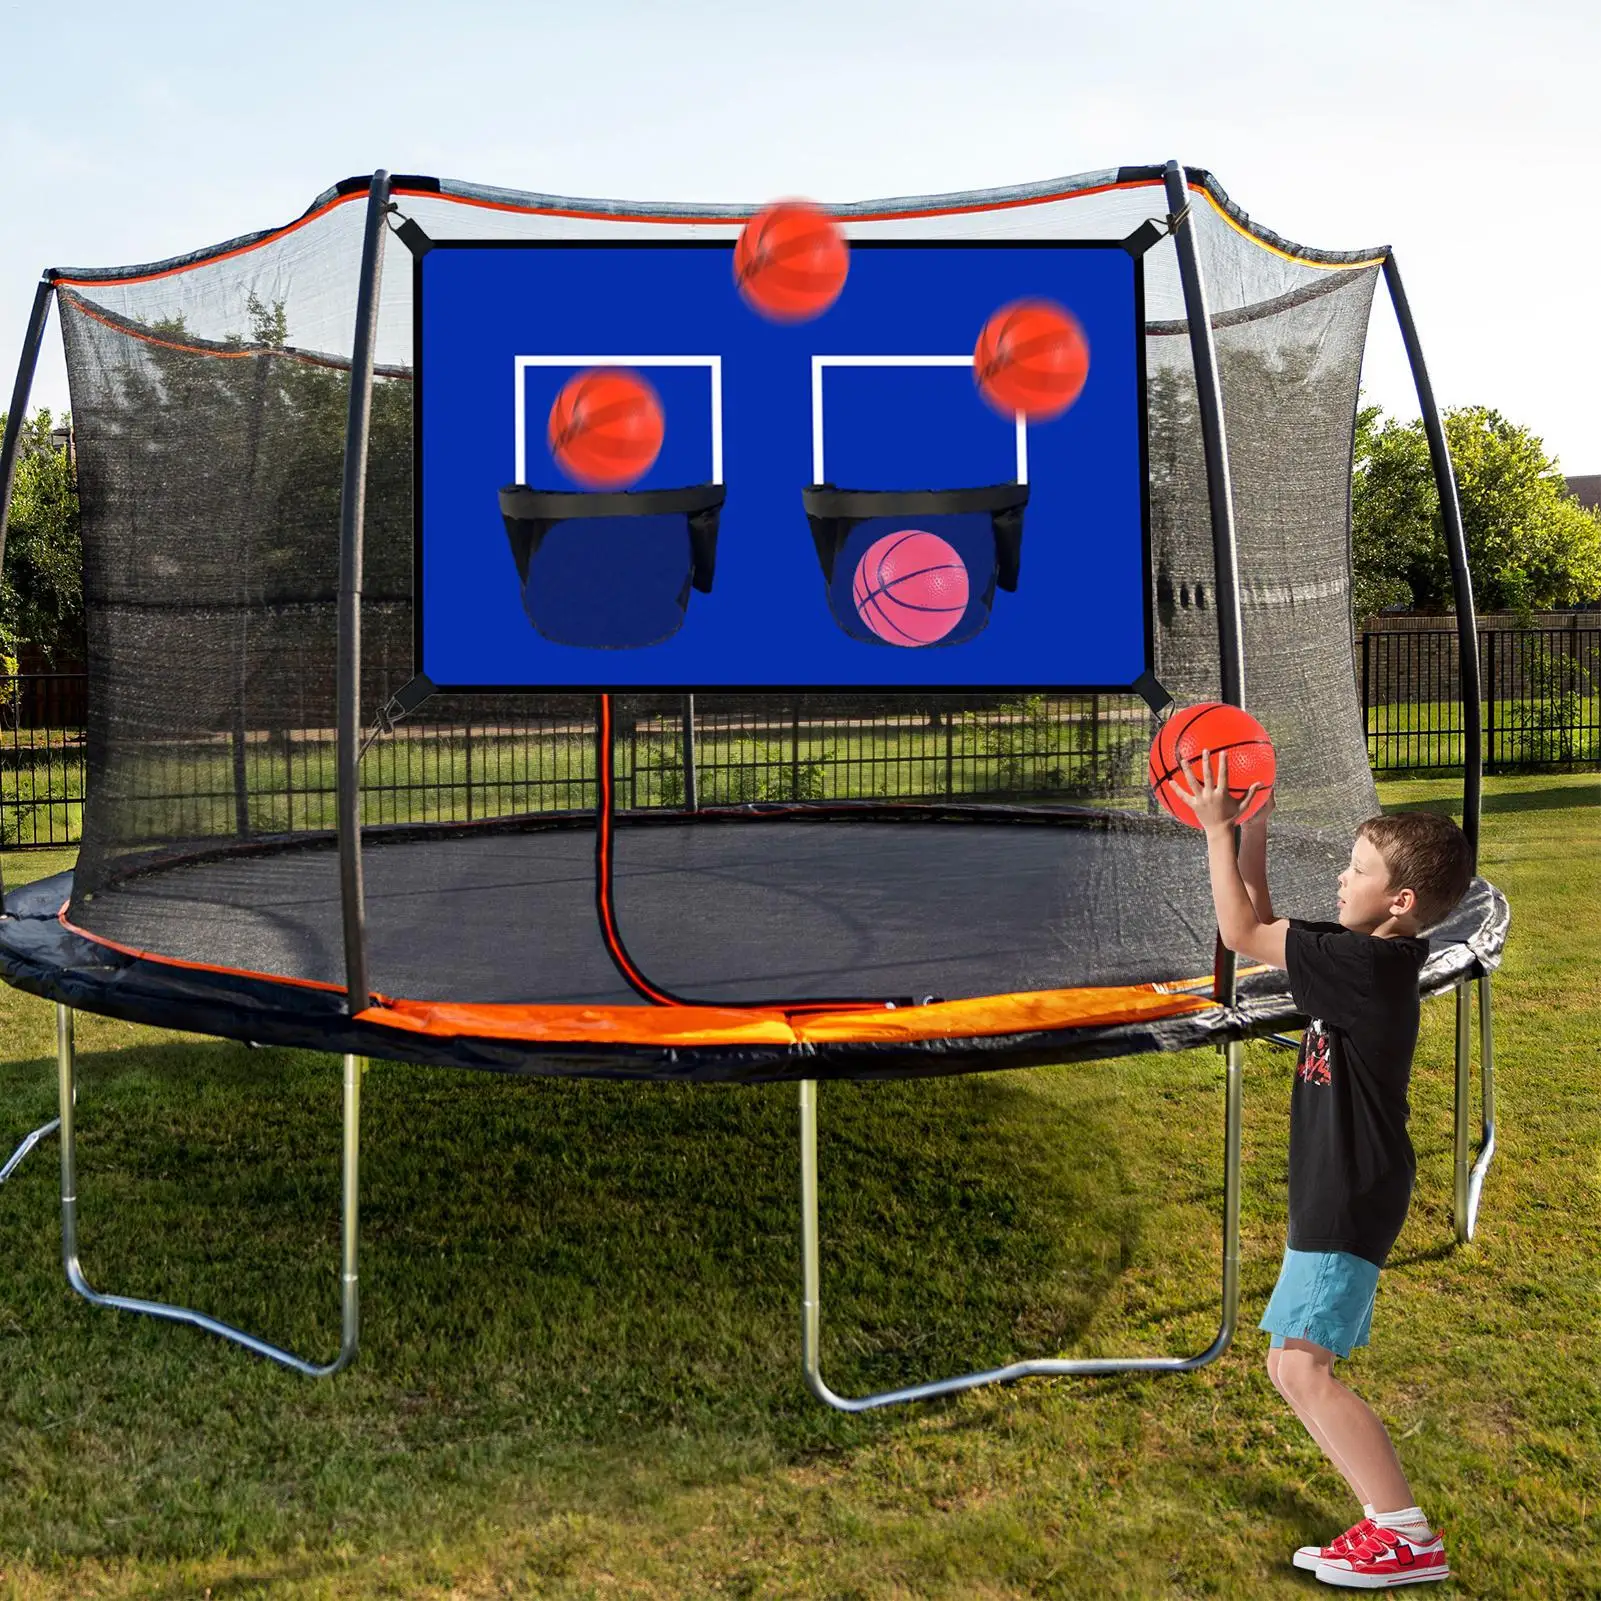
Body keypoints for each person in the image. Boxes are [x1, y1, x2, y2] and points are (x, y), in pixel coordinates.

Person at [1174, 750, 1473, 1591]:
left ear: (1400, 902)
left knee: (1302, 1366)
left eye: (1355, 870)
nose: (1340, 880)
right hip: (1340, 1183)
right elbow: (1265, 922)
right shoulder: (1362, 957)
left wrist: (1214, 832)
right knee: (1286, 1364)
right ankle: (1386, 1527)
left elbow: (1237, 932)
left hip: (1350, 1189)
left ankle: (1403, 1531)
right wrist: (1255, 828)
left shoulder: (1360, 967)